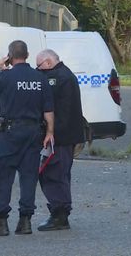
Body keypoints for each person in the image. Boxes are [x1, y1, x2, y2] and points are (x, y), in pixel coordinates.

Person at [0, 40, 54, 237]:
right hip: (34, 133)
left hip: (10, 134)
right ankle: (25, 222)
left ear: (10, 57)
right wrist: (50, 133)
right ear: (27, 55)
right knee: (29, 177)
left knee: (2, 176)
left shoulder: (5, 76)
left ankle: (0, 223)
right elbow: (48, 110)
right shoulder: (40, 78)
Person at [35, 49, 84, 231]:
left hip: (60, 137)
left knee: (54, 173)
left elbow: (52, 107)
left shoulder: (57, 78)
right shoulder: (65, 74)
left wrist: (50, 133)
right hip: (65, 135)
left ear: (48, 63)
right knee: (57, 173)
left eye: (39, 66)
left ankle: (60, 215)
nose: (37, 70)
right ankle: (59, 212)